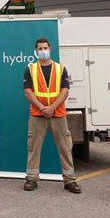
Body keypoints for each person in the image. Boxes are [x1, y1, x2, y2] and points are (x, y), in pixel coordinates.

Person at [22, 38, 81, 194]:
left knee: (65, 147)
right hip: (37, 114)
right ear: (36, 51)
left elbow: (65, 91)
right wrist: (43, 108)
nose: (43, 50)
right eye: (40, 48)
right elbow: (28, 91)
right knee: (33, 147)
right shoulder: (30, 69)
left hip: (58, 114)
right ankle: (31, 178)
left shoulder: (61, 69)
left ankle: (70, 180)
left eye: (45, 47)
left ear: (50, 48)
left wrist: (52, 108)